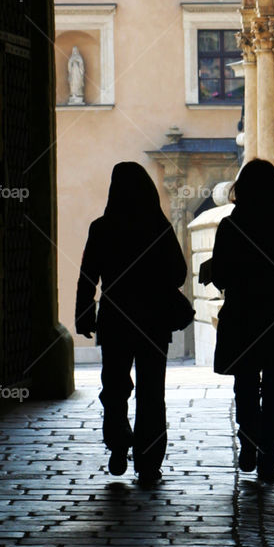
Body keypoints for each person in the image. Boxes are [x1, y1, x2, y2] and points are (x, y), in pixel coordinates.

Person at [75, 161, 187, 485]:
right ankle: (149, 462)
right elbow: (179, 273)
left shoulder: (101, 228)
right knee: (152, 392)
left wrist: (83, 314)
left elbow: (87, 277)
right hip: (153, 320)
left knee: (114, 387)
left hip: (115, 319)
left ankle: (117, 441)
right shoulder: (159, 227)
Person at [210, 158, 274, 483]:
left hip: (242, 312)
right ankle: (269, 455)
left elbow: (220, 272)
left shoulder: (229, 225)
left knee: (246, 383)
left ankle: (248, 441)